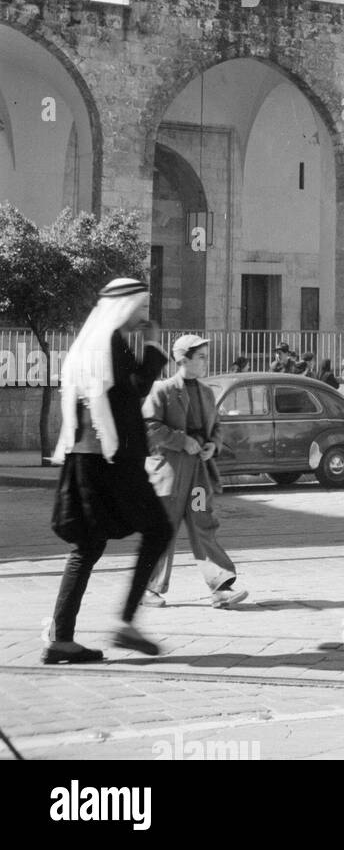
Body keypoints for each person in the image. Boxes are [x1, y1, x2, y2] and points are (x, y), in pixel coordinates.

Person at [46, 278, 171, 663]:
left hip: (85, 457)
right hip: (111, 460)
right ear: (124, 307)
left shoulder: (92, 342)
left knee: (87, 544)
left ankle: (61, 638)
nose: (143, 314)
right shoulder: (110, 344)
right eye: (140, 307)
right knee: (159, 530)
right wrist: (152, 344)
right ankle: (126, 623)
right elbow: (137, 386)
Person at [140, 335, 246, 609]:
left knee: (203, 524)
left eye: (206, 356)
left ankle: (221, 585)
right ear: (182, 359)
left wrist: (213, 444)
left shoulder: (207, 392)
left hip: (198, 477)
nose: (206, 362)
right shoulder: (162, 390)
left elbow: (217, 426)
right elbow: (149, 425)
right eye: (201, 357)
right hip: (171, 477)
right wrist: (181, 440)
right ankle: (149, 588)